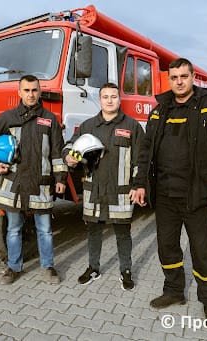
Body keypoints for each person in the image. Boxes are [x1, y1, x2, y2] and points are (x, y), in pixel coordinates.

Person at [132, 58, 207, 320]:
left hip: (197, 195)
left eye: (184, 76)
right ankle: (174, 290)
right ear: (169, 79)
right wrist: (140, 183)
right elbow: (145, 150)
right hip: (165, 196)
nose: (179, 81)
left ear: (193, 78)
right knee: (167, 246)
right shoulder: (160, 110)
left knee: (202, 251)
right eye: (174, 77)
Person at [0, 75, 68, 285]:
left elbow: (57, 152)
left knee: (44, 229)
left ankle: (48, 267)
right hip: (14, 184)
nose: (31, 94)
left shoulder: (50, 119)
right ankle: (13, 267)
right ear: (19, 93)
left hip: (41, 184)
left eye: (34, 90)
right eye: (26, 91)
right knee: (13, 229)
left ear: (40, 92)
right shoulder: (8, 118)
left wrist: (61, 177)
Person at [64, 82, 144, 291]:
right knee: (93, 231)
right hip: (94, 190)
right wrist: (68, 157)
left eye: (113, 96)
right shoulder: (88, 126)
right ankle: (93, 268)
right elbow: (70, 146)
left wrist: (138, 185)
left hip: (121, 193)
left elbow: (141, 160)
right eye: (105, 97)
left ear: (119, 99)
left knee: (123, 232)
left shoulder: (131, 126)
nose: (110, 100)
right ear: (100, 100)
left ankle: (126, 270)